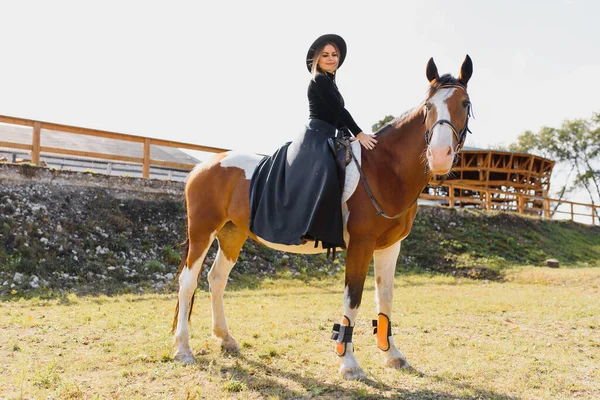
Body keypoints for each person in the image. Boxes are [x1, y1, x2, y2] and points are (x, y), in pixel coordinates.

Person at [249, 34, 377, 251]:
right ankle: (307, 225)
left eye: (334, 55)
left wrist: (347, 134)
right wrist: (360, 133)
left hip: (329, 133)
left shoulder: (330, 83)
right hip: (315, 134)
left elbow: (336, 116)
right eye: (325, 55)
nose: (331, 59)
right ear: (317, 59)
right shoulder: (319, 80)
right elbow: (339, 110)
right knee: (323, 167)